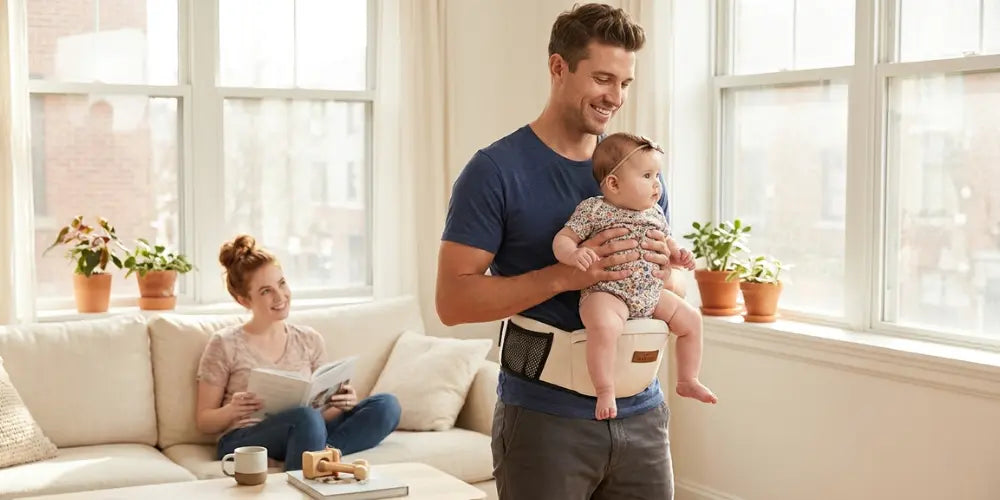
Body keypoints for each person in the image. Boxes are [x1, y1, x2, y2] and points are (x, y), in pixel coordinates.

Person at [437, 4, 710, 498]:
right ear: (558, 67)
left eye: (625, 83)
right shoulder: (496, 171)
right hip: (545, 421)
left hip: (643, 415)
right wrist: (566, 277)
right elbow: (452, 303)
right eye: (603, 78)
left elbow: (676, 282)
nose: (615, 97)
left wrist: (665, 269)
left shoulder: (638, 170)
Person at [195, 234, 400, 471]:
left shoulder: (309, 339)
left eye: (282, 283)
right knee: (305, 418)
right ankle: (312, 461)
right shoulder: (224, 343)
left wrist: (341, 402)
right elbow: (204, 420)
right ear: (244, 300)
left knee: (386, 406)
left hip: (309, 430)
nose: (280, 296)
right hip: (248, 440)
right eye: (265, 291)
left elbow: (323, 413)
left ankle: (314, 458)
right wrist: (232, 410)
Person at [553, 132, 717, 421]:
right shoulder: (594, 210)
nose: (657, 184)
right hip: (607, 292)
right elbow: (563, 239)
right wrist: (573, 254)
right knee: (604, 328)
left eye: (658, 175)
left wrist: (678, 256)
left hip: (649, 293)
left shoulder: (654, 212)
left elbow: (668, 244)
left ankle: (687, 379)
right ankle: (605, 389)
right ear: (614, 184)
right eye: (648, 175)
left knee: (691, 320)